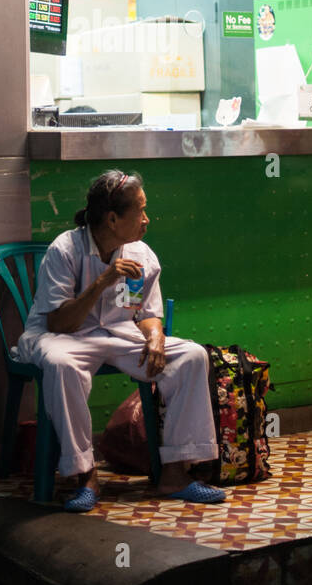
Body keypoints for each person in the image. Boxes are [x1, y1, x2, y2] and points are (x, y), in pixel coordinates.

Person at [17, 170, 225, 512]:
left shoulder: (140, 254)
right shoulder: (65, 250)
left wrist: (156, 337)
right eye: (140, 211)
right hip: (64, 336)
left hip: (117, 334)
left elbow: (146, 313)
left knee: (191, 356)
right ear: (112, 219)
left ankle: (175, 474)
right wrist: (102, 281)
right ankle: (85, 476)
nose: (147, 219)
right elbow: (60, 321)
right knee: (60, 364)